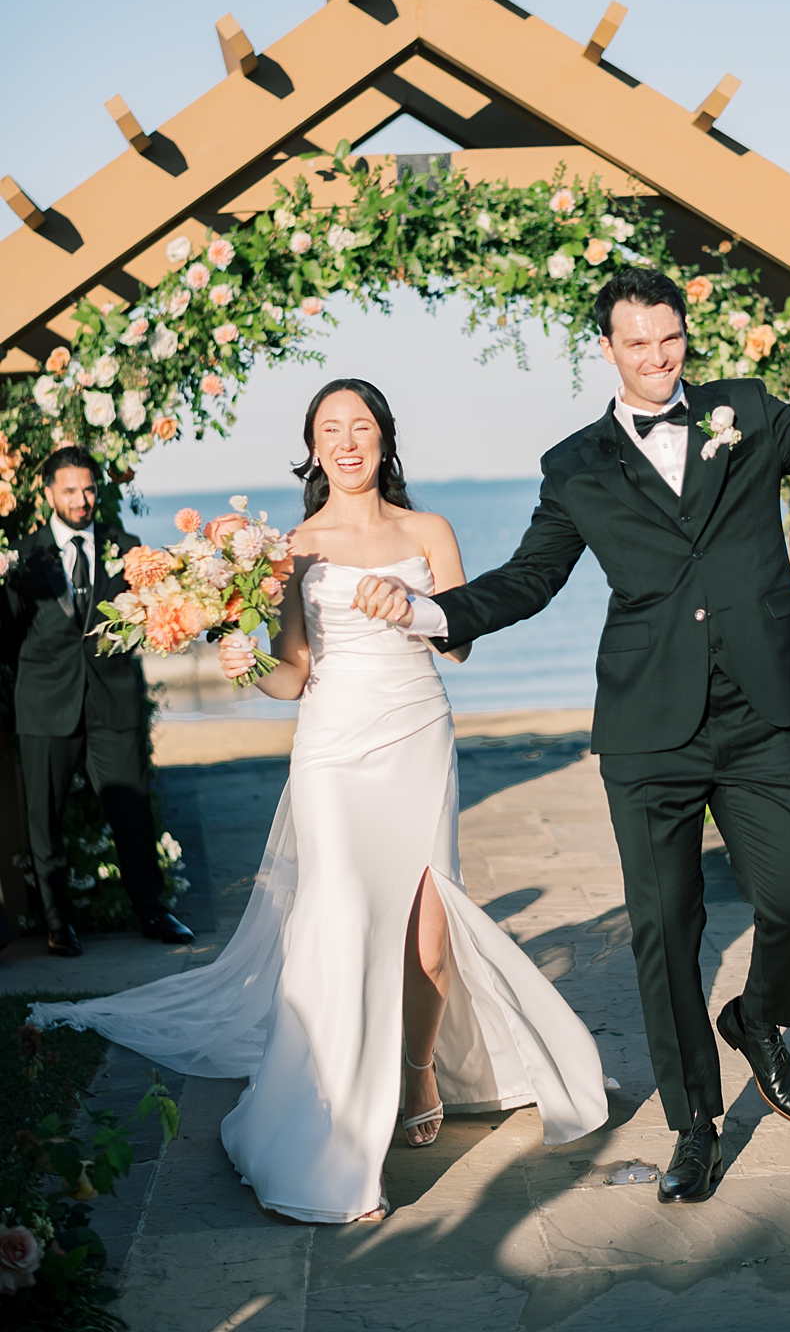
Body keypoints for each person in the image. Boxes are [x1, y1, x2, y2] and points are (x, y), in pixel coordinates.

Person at [353, 268, 790, 1207]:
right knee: (666, 932)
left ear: (682, 334)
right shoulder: (575, 464)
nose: (659, 358)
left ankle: (758, 1016)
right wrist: (431, 612)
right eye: (638, 344)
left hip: (757, 713)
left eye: (670, 339)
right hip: (648, 729)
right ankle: (696, 1128)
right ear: (609, 349)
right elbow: (530, 578)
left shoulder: (744, 411)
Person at [30, 381, 608, 1223]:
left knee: (430, 939)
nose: (348, 441)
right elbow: (295, 674)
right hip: (334, 753)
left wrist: (414, 611)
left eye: (362, 427)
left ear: (385, 440)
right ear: (312, 445)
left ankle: (417, 1071)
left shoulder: (428, 531)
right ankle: (332, 1133)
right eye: (331, 429)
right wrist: (248, 668)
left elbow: (464, 644)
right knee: (340, 922)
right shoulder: (294, 547)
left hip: (417, 736)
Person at [0, 447, 194, 957]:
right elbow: (5, 636)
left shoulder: (127, 550)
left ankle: (153, 912)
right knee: (45, 818)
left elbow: (153, 619)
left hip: (113, 701)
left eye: (88, 489)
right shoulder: (22, 558)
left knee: (132, 813)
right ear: (47, 495)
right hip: (45, 706)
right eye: (70, 490)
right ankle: (58, 923)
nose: (82, 499)